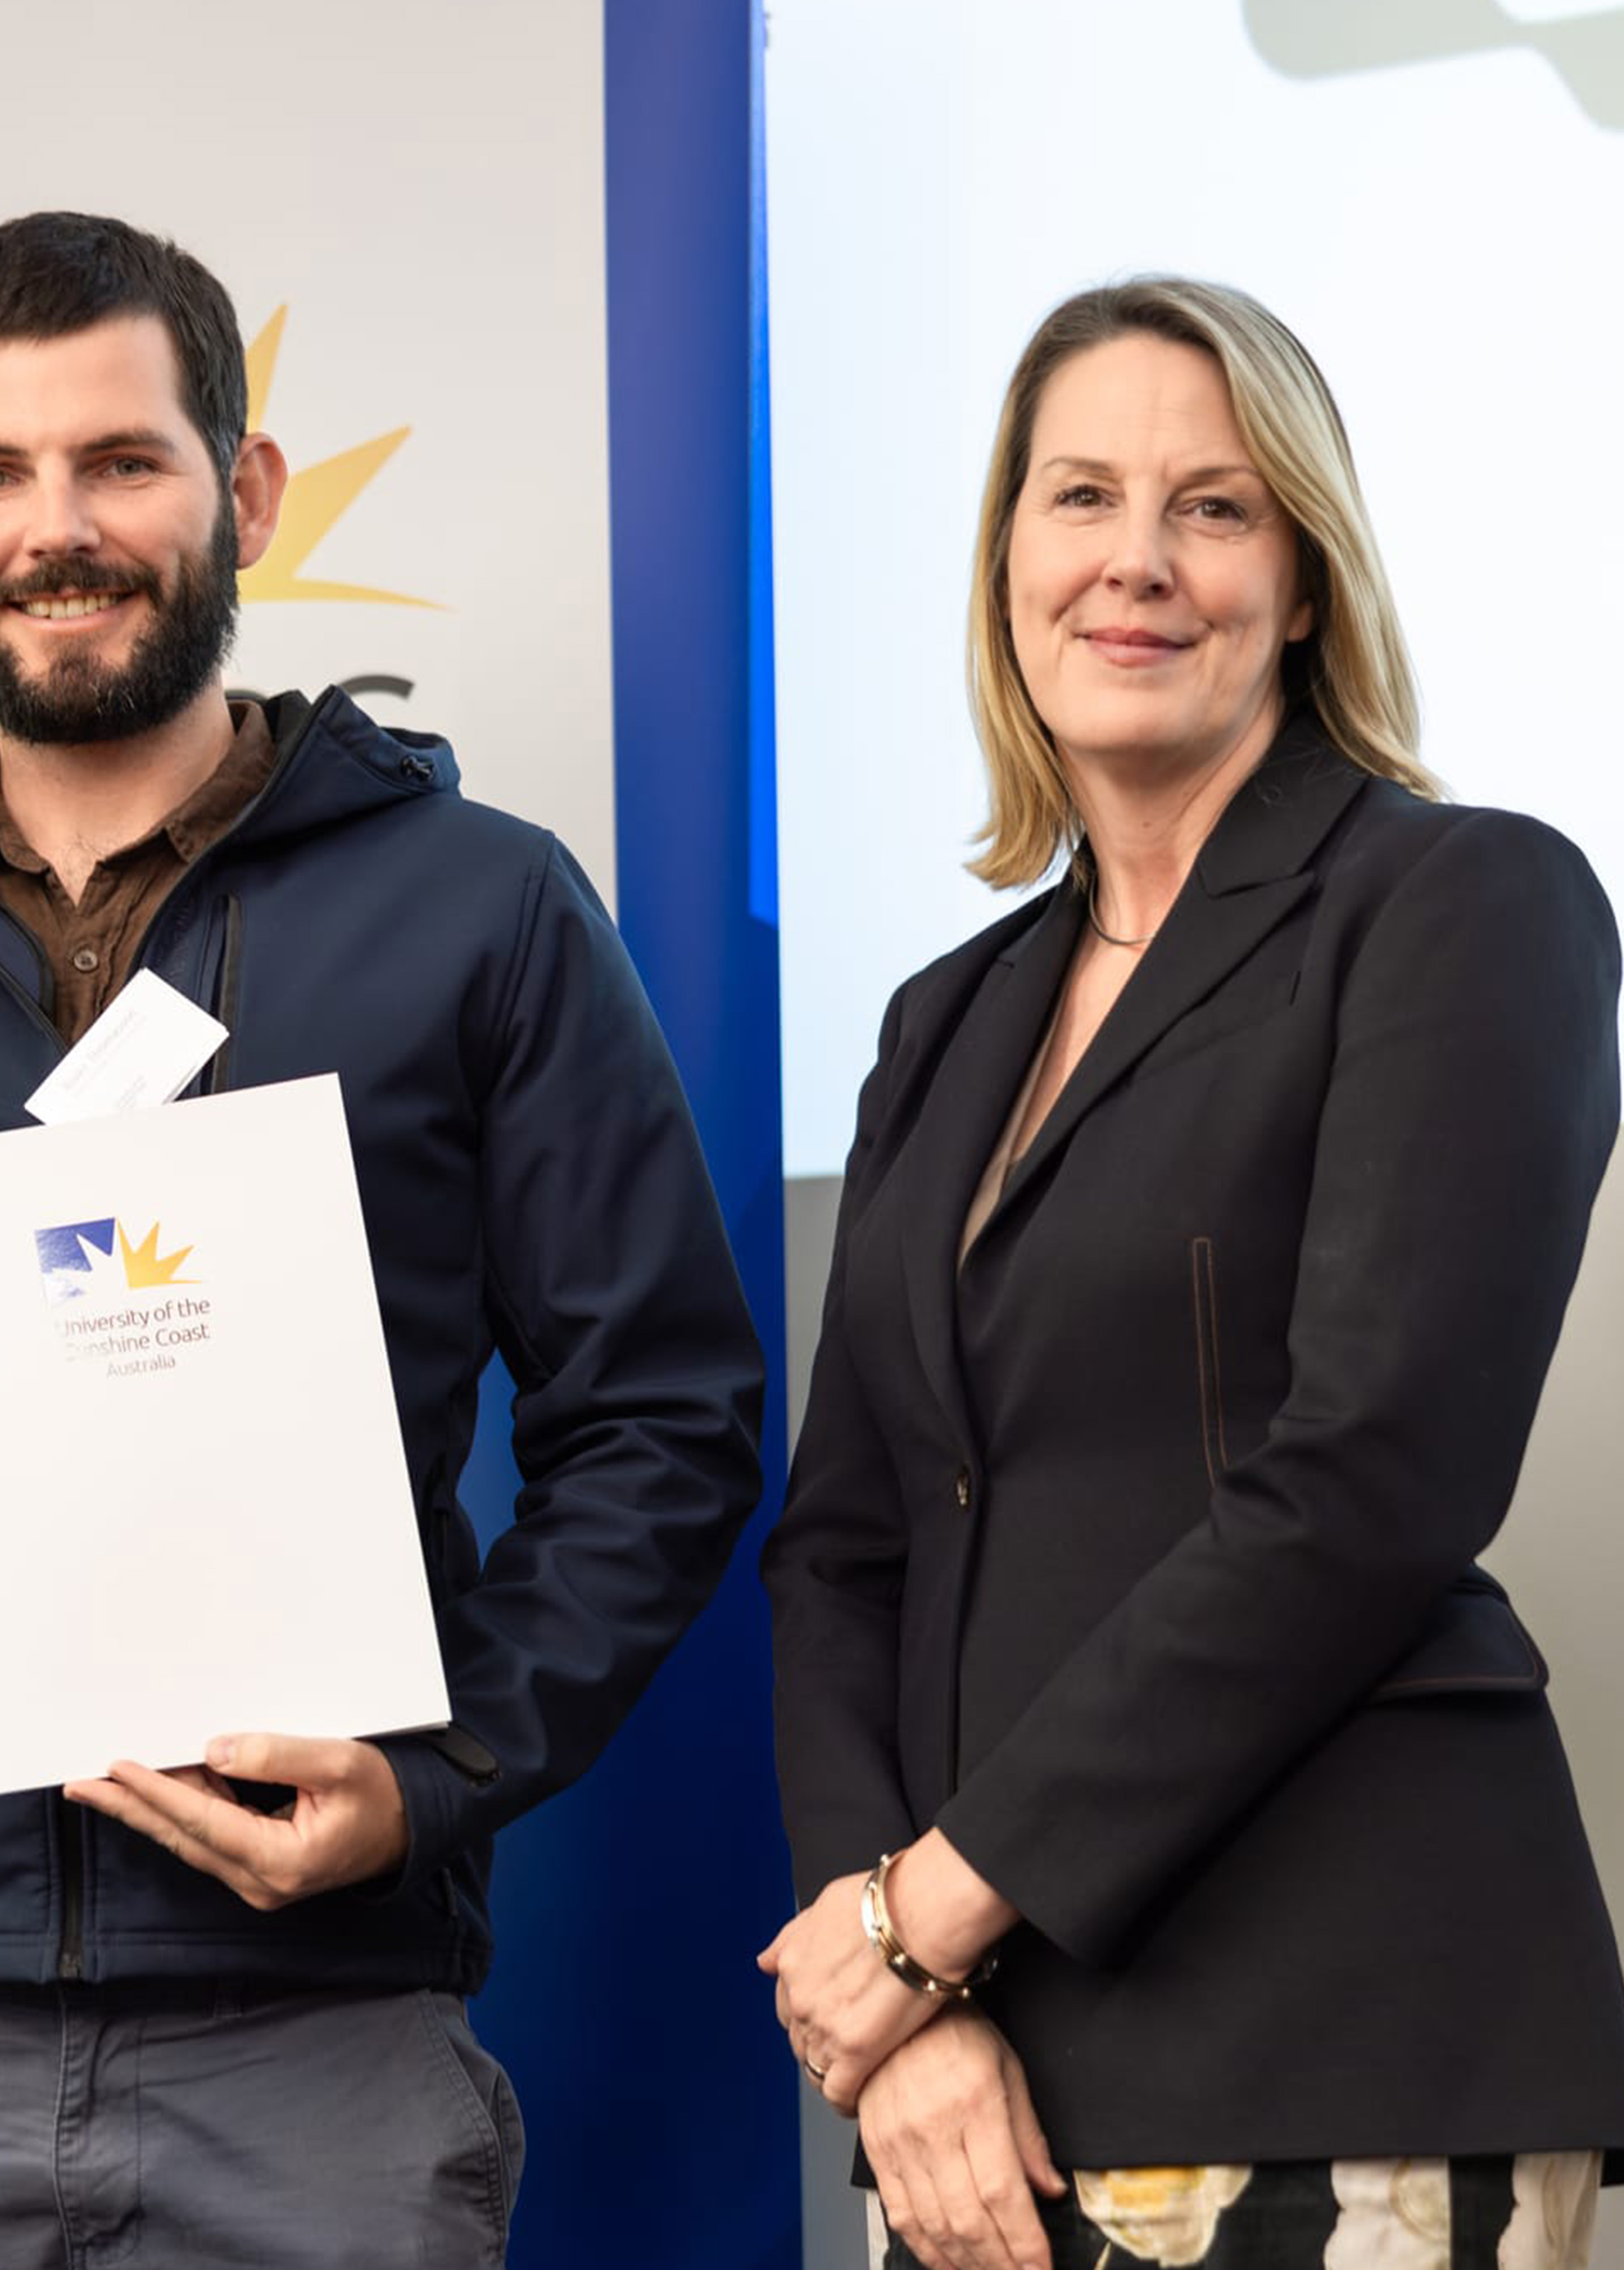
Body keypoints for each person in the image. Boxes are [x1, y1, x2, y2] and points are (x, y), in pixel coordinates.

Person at [0, 211, 764, 2267]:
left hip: (320, 2053)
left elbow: (664, 1418)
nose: (60, 529)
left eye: (123, 462)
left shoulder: (486, 907)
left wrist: (442, 1767)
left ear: (246, 492)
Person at [757, 277, 1624, 2270]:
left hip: (1348, 2062)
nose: (1134, 562)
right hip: (973, 2102)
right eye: (1081, 498)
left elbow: (1376, 1475)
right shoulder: (943, 1018)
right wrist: (900, 2017)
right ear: (1006, 564)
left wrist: (925, 1918)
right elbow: (843, 1552)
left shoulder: (1463, 904)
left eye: (1215, 509)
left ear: (1306, 583)